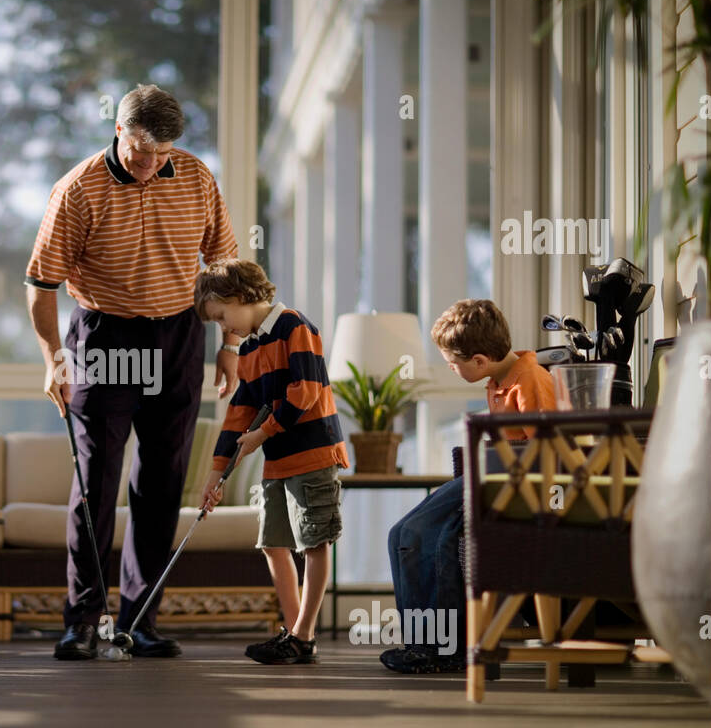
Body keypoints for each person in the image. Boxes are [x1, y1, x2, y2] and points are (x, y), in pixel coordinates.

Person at [27, 84, 241, 661]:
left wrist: (231, 343)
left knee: (162, 480)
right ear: (118, 131)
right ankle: (81, 623)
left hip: (177, 334)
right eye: (142, 152)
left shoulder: (196, 177)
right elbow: (42, 283)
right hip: (105, 335)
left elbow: (223, 264)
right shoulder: (78, 189)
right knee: (96, 481)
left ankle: (139, 621)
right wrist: (52, 357)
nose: (151, 166)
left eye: (162, 154)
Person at [380, 298, 557, 674]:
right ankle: (427, 644)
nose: (449, 367)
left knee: (421, 531)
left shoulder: (530, 379)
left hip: (506, 484)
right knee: (402, 533)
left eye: (453, 362)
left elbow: (549, 449)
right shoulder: (498, 381)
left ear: (479, 360)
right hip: (488, 476)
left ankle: (441, 647)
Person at [196, 260, 348, 664]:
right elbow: (240, 413)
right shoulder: (249, 347)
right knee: (274, 544)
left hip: (312, 452)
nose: (224, 328)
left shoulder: (295, 326)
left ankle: (304, 634)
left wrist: (264, 433)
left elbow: (307, 391)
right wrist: (215, 475)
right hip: (278, 459)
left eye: (222, 317)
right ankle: (295, 633)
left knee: (313, 542)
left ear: (241, 298)